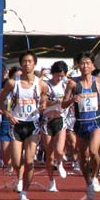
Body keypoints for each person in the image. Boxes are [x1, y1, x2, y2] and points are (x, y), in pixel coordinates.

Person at [0, 51, 48, 200]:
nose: (27, 64)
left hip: (33, 125)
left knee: (29, 161)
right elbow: (0, 101)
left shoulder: (40, 84)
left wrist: (43, 104)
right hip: (16, 124)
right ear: (21, 63)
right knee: (16, 162)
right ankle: (20, 177)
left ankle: (24, 192)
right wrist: (8, 114)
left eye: (30, 61)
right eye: (24, 61)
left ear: (34, 63)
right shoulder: (12, 82)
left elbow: (44, 98)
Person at [62, 52, 100, 200]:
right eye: (82, 63)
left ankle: (94, 177)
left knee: (94, 152)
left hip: (96, 121)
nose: (85, 66)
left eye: (88, 63)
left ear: (93, 65)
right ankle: (88, 182)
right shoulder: (73, 83)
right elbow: (63, 103)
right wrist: (72, 100)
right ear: (78, 65)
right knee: (83, 156)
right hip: (81, 123)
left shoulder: (99, 82)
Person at [41, 61, 69, 192]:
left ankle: (60, 163)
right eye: (57, 75)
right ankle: (52, 181)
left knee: (58, 150)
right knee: (49, 154)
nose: (59, 78)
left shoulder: (65, 85)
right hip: (47, 120)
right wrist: (57, 101)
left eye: (61, 75)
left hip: (60, 119)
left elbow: (69, 100)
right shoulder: (46, 86)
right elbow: (43, 102)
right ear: (53, 74)